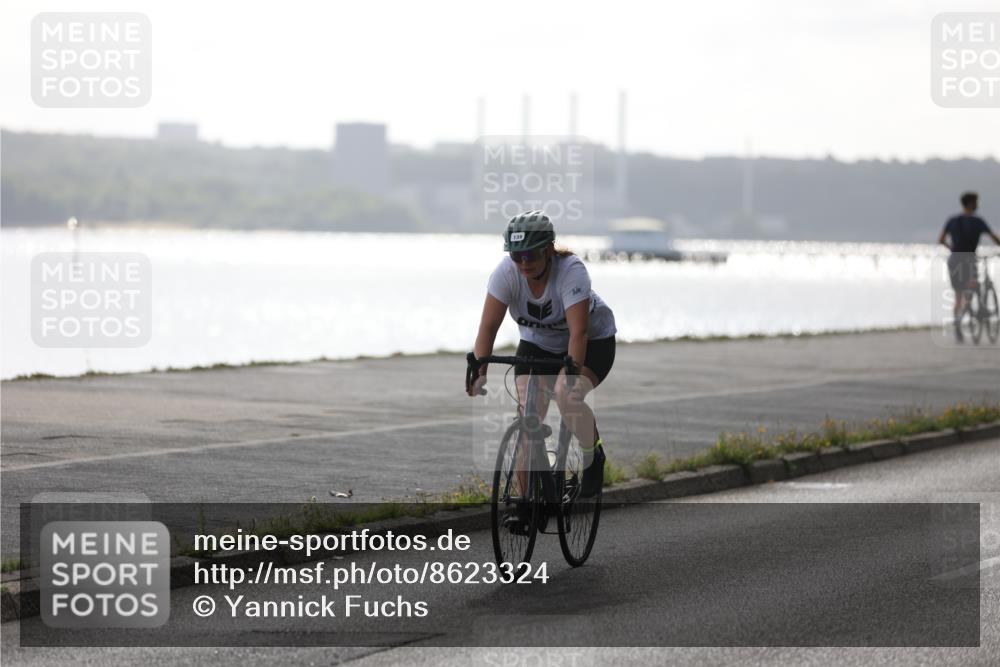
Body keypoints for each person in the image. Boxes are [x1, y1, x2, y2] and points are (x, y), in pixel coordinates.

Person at [467, 211, 617, 497]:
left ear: (548, 249)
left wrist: (569, 379)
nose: (524, 262)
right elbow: (487, 328)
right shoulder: (505, 274)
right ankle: (527, 503)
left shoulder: (571, 271)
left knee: (566, 395)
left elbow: (578, 334)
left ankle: (593, 456)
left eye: (531, 255)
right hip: (538, 344)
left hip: (592, 342)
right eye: (517, 255)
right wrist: (480, 370)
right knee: (528, 418)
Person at [938, 192, 1000, 341]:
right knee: (970, 289)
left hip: (954, 259)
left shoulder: (952, 220)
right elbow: (995, 238)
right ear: (972, 203)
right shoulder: (978, 221)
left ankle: (958, 320)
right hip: (969, 259)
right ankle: (963, 316)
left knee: (958, 295)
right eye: (977, 202)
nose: (978, 205)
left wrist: (952, 249)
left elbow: (940, 240)